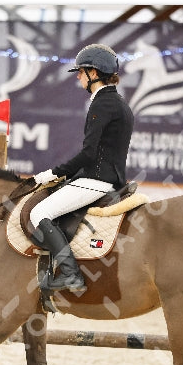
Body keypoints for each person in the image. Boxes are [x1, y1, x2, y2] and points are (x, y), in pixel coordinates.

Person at [30, 43, 135, 293]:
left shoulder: (102, 103)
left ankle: (71, 274)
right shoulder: (117, 102)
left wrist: (53, 173)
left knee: (38, 214)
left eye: (81, 71)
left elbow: (89, 154)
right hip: (107, 177)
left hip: (97, 179)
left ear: (94, 73)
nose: (78, 76)